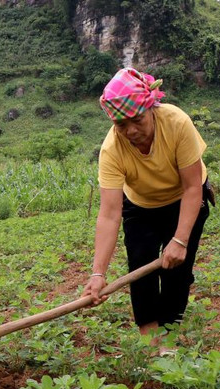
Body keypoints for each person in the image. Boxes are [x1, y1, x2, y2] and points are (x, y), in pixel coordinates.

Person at [82, 67, 212, 349]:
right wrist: (98, 274)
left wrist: (179, 240)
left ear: (150, 108)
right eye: (121, 125)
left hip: (185, 199)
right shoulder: (112, 150)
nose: (131, 131)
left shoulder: (177, 123)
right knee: (141, 267)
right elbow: (109, 214)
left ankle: (168, 336)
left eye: (137, 120)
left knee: (177, 267)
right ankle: (152, 344)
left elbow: (192, 188)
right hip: (141, 206)